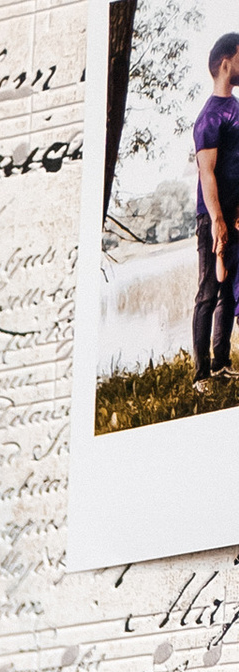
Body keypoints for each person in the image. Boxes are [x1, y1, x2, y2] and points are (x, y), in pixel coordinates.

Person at [197, 33, 239, 400]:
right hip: (212, 218)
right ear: (227, 62)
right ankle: (200, 374)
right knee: (209, 291)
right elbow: (206, 171)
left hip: (234, 215)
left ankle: (221, 363)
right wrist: (217, 220)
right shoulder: (210, 115)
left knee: (229, 292)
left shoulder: (236, 109)